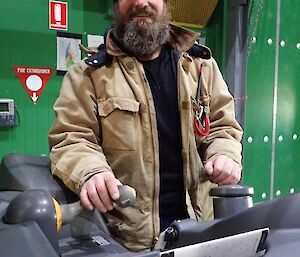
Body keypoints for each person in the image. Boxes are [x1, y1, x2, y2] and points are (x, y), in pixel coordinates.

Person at [48, 0, 243, 252]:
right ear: (117, 4)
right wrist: (92, 172)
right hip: (127, 241)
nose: (141, 2)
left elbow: (222, 127)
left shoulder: (201, 68)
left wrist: (225, 154)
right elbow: (71, 138)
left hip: (199, 232)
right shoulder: (87, 76)